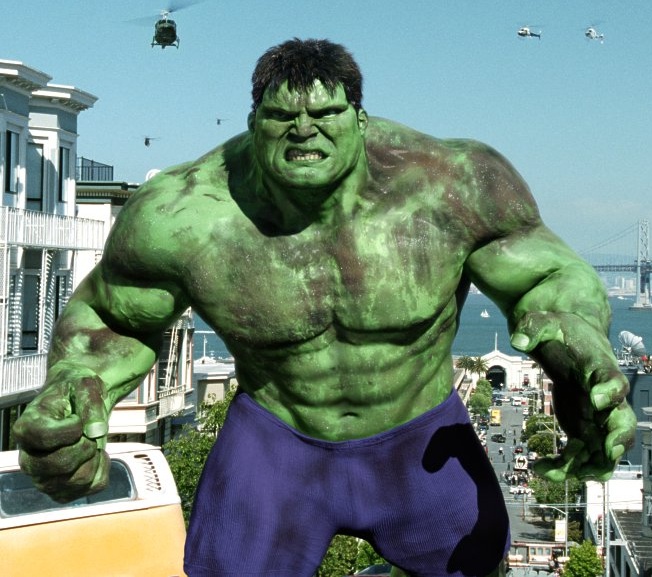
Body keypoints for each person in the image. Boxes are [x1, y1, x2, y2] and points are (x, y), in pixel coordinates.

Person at [13, 38, 636, 577]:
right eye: (282, 116)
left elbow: (545, 279)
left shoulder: (453, 185)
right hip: (277, 438)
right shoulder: (183, 216)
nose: (304, 130)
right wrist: (75, 387)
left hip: (418, 437)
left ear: (360, 118)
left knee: (477, 562)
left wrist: (578, 349)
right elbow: (114, 318)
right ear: (254, 120)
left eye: (327, 114)